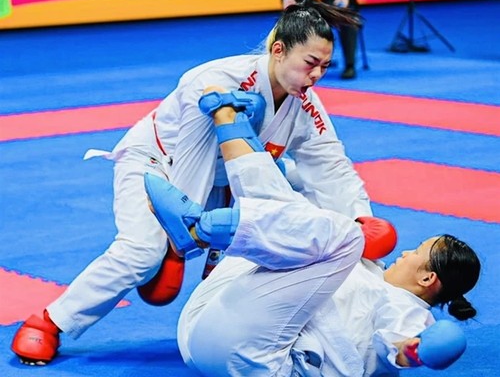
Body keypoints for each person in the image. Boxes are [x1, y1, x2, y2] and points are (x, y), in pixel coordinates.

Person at [11, 0, 371, 365]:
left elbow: (330, 165)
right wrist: (182, 239)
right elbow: (191, 158)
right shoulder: (216, 81)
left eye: (325, 67)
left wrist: (360, 218)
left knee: (270, 244)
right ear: (278, 51)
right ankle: (50, 321)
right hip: (155, 164)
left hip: (221, 184)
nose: (317, 76)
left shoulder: (304, 105)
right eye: (310, 64)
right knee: (143, 251)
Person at [145, 100, 481, 376]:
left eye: (417, 252)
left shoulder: (407, 310)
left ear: (428, 277)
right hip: (201, 328)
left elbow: (396, 348)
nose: (405, 252)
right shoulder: (370, 269)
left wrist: (416, 351)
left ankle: (196, 231)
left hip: (264, 360)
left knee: (343, 237)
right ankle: (229, 117)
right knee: (296, 221)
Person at [280, 0, 360, 79]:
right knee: (290, 20)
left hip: (332, 0)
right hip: (303, 1)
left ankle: (350, 65)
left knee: (346, 20)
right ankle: (295, 65)